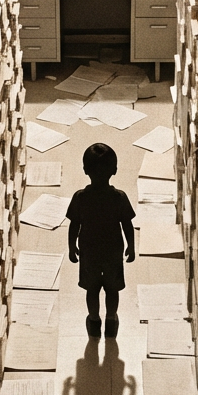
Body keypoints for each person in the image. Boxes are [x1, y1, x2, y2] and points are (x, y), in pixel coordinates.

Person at [67, 142, 135, 338]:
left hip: (89, 251)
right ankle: (112, 319)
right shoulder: (119, 198)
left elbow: (74, 225)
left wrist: (72, 248)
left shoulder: (80, 198)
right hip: (113, 251)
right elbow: (127, 225)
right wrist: (131, 246)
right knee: (112, 289)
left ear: (85, 169)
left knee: (92, 288)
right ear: (114, 169)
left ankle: (94, 320)